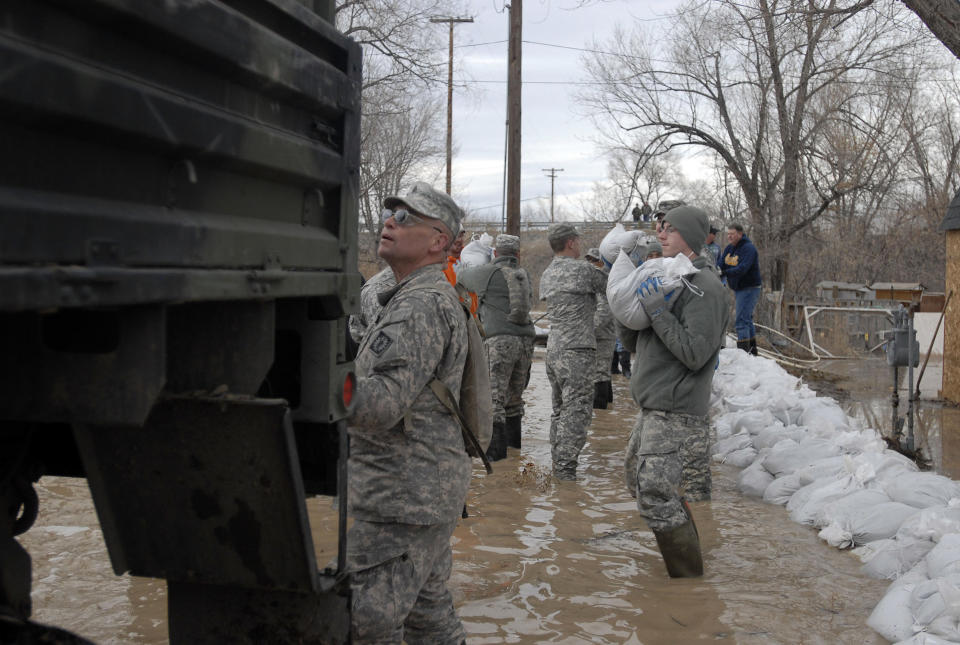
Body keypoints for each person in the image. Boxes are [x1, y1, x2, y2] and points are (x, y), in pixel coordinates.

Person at [347, 182, 471, 644]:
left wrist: (325, 380)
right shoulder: (411, 295)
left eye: (406, 217)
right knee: (429, 620)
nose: (390, 221)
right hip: (423, 491)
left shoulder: (419, 304)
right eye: (390, 212)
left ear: (438, 241)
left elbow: (378, 406)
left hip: (403, 497)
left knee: (363, 622)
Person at [620, 205, 729, 578]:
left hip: (677, 409)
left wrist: (659, 312)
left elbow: (697, 355)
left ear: (690, 236)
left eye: (668, 229)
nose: (660, 235)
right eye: (659, 228)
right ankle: (689, 564)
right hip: (654, 406)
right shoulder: (667, 277)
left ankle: (689, 586)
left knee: (655, 494)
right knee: (638, 479)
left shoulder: (705, 287)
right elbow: (638, 345)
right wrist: (626, 309)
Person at [458, 233, 535, 460]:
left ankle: (497, 462)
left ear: (495, 253)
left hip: (499, 340)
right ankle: (515, 454)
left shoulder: (487, 273)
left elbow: (459, 276)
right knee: (514, 400)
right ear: (518, 254)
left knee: (494, 400)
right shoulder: (525, 275)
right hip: (526, 341)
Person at [539, 223, 607, 480]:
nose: (579, 244)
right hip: (577, 351)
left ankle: (558, 465)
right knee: (576, 411)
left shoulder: (547, 274)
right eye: (577, 241)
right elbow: (612, 288)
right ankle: (565, 476)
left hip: (553, 350)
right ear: (570, 243)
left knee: (559, 411)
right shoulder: (583, 271)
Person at [720, 222, 762, 355]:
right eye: (728, 234)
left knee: (741, 320)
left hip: (749, 287)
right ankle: (752, 352)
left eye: (732, 234)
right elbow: (720, 264)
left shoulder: (749, 248)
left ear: (740, 234)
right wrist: (716, 270)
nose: (729, 237)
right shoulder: (729, 249)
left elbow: (743, 268)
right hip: (739, 288)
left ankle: (744, 353)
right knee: (746, 319)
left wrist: (725, 273)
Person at [585, 248, 615, 409]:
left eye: (594, 260)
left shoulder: (605, 279)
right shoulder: (591, 279)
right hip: (597, 332)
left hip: (604, 334)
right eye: (588, 260)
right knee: (603, 371)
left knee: (600, 372)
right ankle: (607, 409)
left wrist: (589, 329)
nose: (591, 263)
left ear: (602, 262)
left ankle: (600, 411)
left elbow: (604, 310)